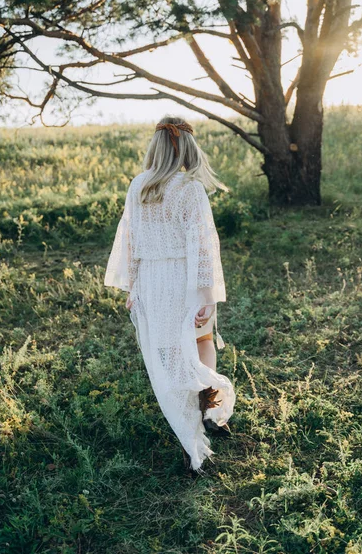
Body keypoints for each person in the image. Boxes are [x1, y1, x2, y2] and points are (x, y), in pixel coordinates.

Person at [104, 115, 236, 474]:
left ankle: (190, 406)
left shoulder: (138, 186)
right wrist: (207, 293)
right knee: (202, 337)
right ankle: (207, 405)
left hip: (151, 278)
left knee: (169, 349)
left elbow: (130, 243)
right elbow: (204, 245)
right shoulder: (190, 187)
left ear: (156, 148)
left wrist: (133, 286)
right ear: (189, 149)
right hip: (184, 276)